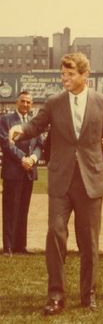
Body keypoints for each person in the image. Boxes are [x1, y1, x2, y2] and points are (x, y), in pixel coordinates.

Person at [9, 52, 103, 315]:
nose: (65, 79)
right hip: (61, 181)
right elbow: (35, 126)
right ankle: (56, 296)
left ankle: (88, 294)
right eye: (63, 74)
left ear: (85, 75)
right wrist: (20, 130)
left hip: (90, 181)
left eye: (70, 75)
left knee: (89, 242)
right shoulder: (54, 102)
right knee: (55, 235)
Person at [0, 91, 43, 256]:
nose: (26, 105)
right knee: (11, 209)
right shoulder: (5, 120)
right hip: (13, 171)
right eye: (23, 101)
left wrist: (33, 158)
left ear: (32, 104)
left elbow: (40, 144)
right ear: (17, 102)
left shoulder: (34, 122)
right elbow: (6, 143)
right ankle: (9, 246)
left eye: (29, 102)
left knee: (23, 209)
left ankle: (21, 245)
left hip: (29, 171)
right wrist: (22, 159)